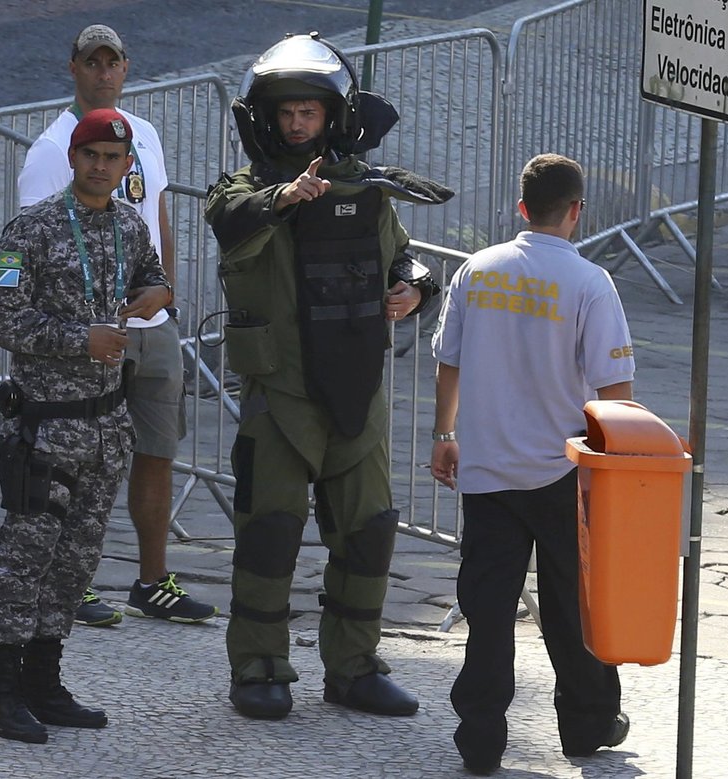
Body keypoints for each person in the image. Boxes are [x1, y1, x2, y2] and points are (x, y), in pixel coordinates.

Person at [204, 32, 451, 720]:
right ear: (266, 118)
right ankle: (258, 666)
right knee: (269, 535)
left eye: (307, 112)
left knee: (370, 533)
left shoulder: (365, 190)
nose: (295, 123)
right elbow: (229, 222)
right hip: (280, 396)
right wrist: (284, 197)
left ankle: (354, 666)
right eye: (284, 113)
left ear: (331, 115)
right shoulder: (246, 188)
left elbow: (406, 258)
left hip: (357, 394)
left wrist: (415, 288)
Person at [0, 109, 174, 743]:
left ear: (123, 167)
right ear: (74, 158)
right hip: (48, 426)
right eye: (91, 155)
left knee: (75, 561)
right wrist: (76, 341)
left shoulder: (128, 225)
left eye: (113, 159)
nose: (100, 166)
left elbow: (153, 274)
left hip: (105, 424)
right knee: (23, 558)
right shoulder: (28, 231)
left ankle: (45, 682)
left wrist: (158, 295)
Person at [430, 153, 634, 774]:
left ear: (521, 208)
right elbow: (614, 389)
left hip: (488, 468)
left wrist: (445, 434)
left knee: (487, 608)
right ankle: (587, 722)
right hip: (563, 467)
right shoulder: (590, 283)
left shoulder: (477, 270)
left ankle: (482, 734)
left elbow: (450, 362)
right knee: (574, 603)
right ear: (577, 211)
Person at [18, 23, 217, 627]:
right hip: (84, 333)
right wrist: (71, 331)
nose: (104, 72)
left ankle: (153, 580)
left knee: (156, 450)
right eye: (92, 62)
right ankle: (67, 578)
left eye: (114, 62)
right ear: (73, 68)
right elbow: (28, 246)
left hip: (150, 324)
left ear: (126, 68)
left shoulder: (143, 135)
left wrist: (168, 299)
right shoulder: (53, 150)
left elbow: (156, 211)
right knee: (76, 457)